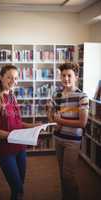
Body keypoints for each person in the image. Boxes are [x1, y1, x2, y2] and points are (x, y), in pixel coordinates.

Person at [0, 64, 40, 200]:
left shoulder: (13, 96)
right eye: (9, 78)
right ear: (1, 78)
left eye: (16, 78)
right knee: (16, 186)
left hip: (20, 147)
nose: (13, 81)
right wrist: (17, 135)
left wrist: (34, 126)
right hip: (5, 149)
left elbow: (18, 124)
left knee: (20, 185)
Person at [47, 63, 89, 200]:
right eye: (63, 75)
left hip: (72, 141)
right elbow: (51, 117)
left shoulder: (82, 96)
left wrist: (60, 121)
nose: (66, 79)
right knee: (62, 173)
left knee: (68, 175)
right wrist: (50, 112)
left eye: (69, 75)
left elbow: (82, 123)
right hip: (58, 138)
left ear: (76, 77)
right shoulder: (57, 95)